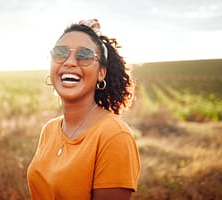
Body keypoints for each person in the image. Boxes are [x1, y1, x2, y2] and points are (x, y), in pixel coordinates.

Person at [27, 19, 141, 200]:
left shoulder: (115, 137)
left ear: (101, 72)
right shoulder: (49, 129)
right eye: (60, 53)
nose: (70, 62)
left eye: (85, 55)